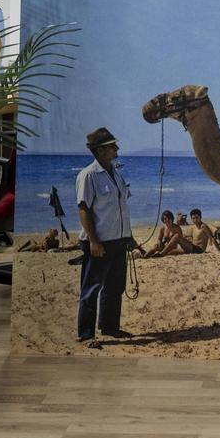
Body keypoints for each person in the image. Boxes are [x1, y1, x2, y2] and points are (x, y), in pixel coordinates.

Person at [75, 127, 133, 348]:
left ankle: (109, 327)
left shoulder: (116, 173)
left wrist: (128, 236)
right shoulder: (88, 175)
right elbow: (83, 209)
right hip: (99, 241)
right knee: (91, 288)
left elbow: (121, 207)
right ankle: (86, 334)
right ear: (100, 151)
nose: (116, 148)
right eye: (112, 146)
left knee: (114, 287)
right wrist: (93, 241)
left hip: (118, 240)